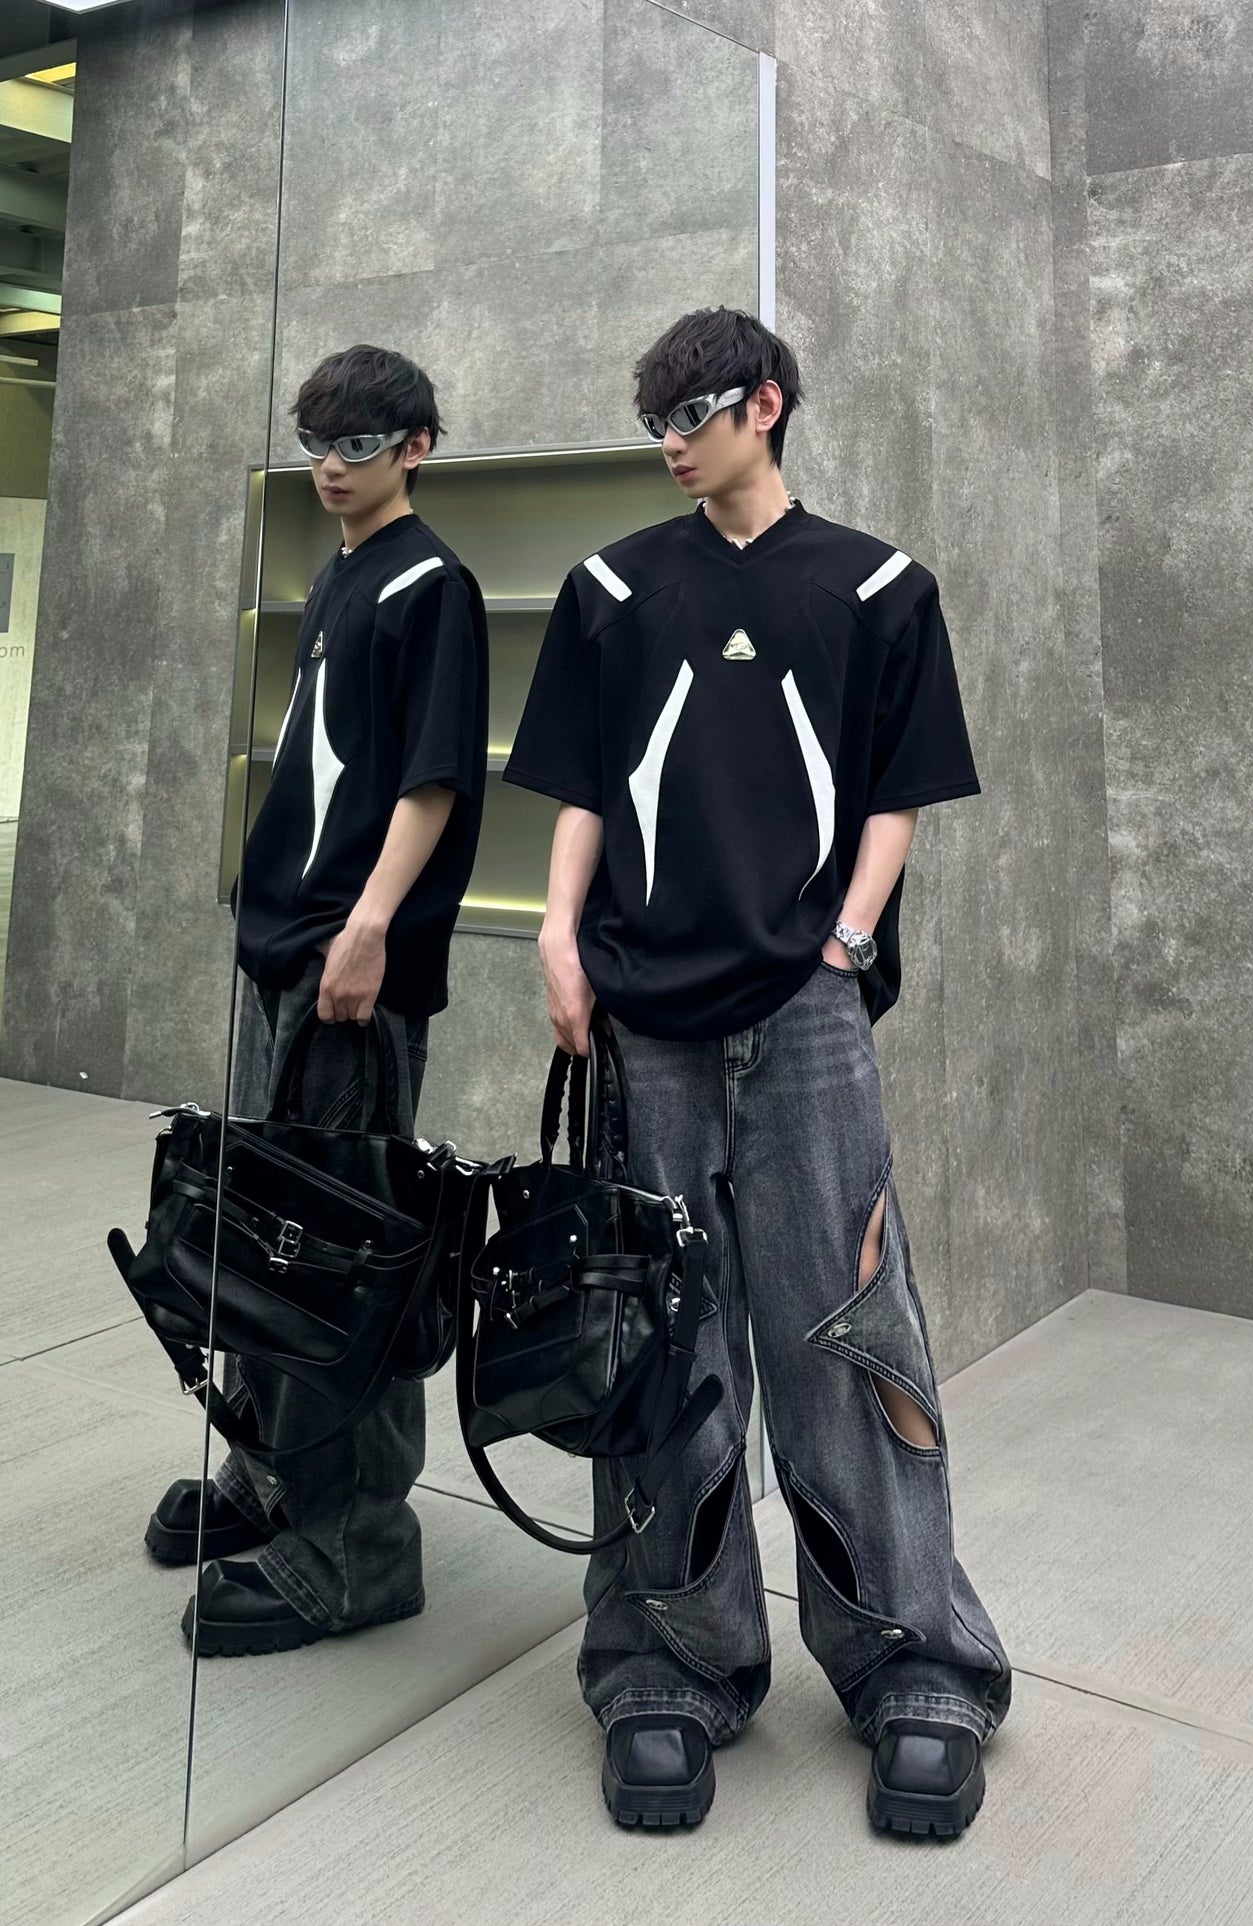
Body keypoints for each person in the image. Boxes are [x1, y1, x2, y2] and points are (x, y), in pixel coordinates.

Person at [505, 308, 1010, 1836]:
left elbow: (896, 796)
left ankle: (917, 1666)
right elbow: (583, 788)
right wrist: (556, 936)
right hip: (642, 1015)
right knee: (660, 1340)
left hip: (805, 1016)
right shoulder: (611, 588)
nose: (672, 439)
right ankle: (667, 1662)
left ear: (766, 405)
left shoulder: (877, 586)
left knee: (847, 1331)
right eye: (655, 416)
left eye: (696, 411)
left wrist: (840, 946)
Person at [145, 344, 489, 1656]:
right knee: (262, 1238)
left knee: (345, 1258)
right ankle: (273, 1475)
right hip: (287, 953)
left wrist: (368, 928)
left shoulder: (432, 585)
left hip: (351, 968)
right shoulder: (341, 574)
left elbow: (433, 781)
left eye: (358, 444)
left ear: (417, 447)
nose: (331, 467)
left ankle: (356, 1548)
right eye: (317, 444)